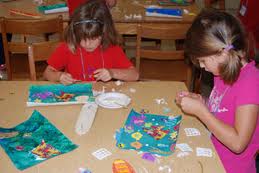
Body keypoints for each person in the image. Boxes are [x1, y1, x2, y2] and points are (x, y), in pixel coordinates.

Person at [175, 9, 259, 173]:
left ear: (222, 53)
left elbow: (238, 143)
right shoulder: (222, 70)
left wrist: (202, 112)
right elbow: (224, 111)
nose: (201, 66)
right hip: (213, 154)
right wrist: (202, 103)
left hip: (231, 168)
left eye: (203, 60)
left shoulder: (250, 83)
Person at [43, 0, 139, 85]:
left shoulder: (112, 49)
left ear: (103, 33)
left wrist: (112, 73)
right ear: (75, 34)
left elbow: (134, 75)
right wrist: (59, 76)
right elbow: (47, 73)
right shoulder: (68, 48)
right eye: (82, 39)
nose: (87, 44)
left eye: (93, 39)